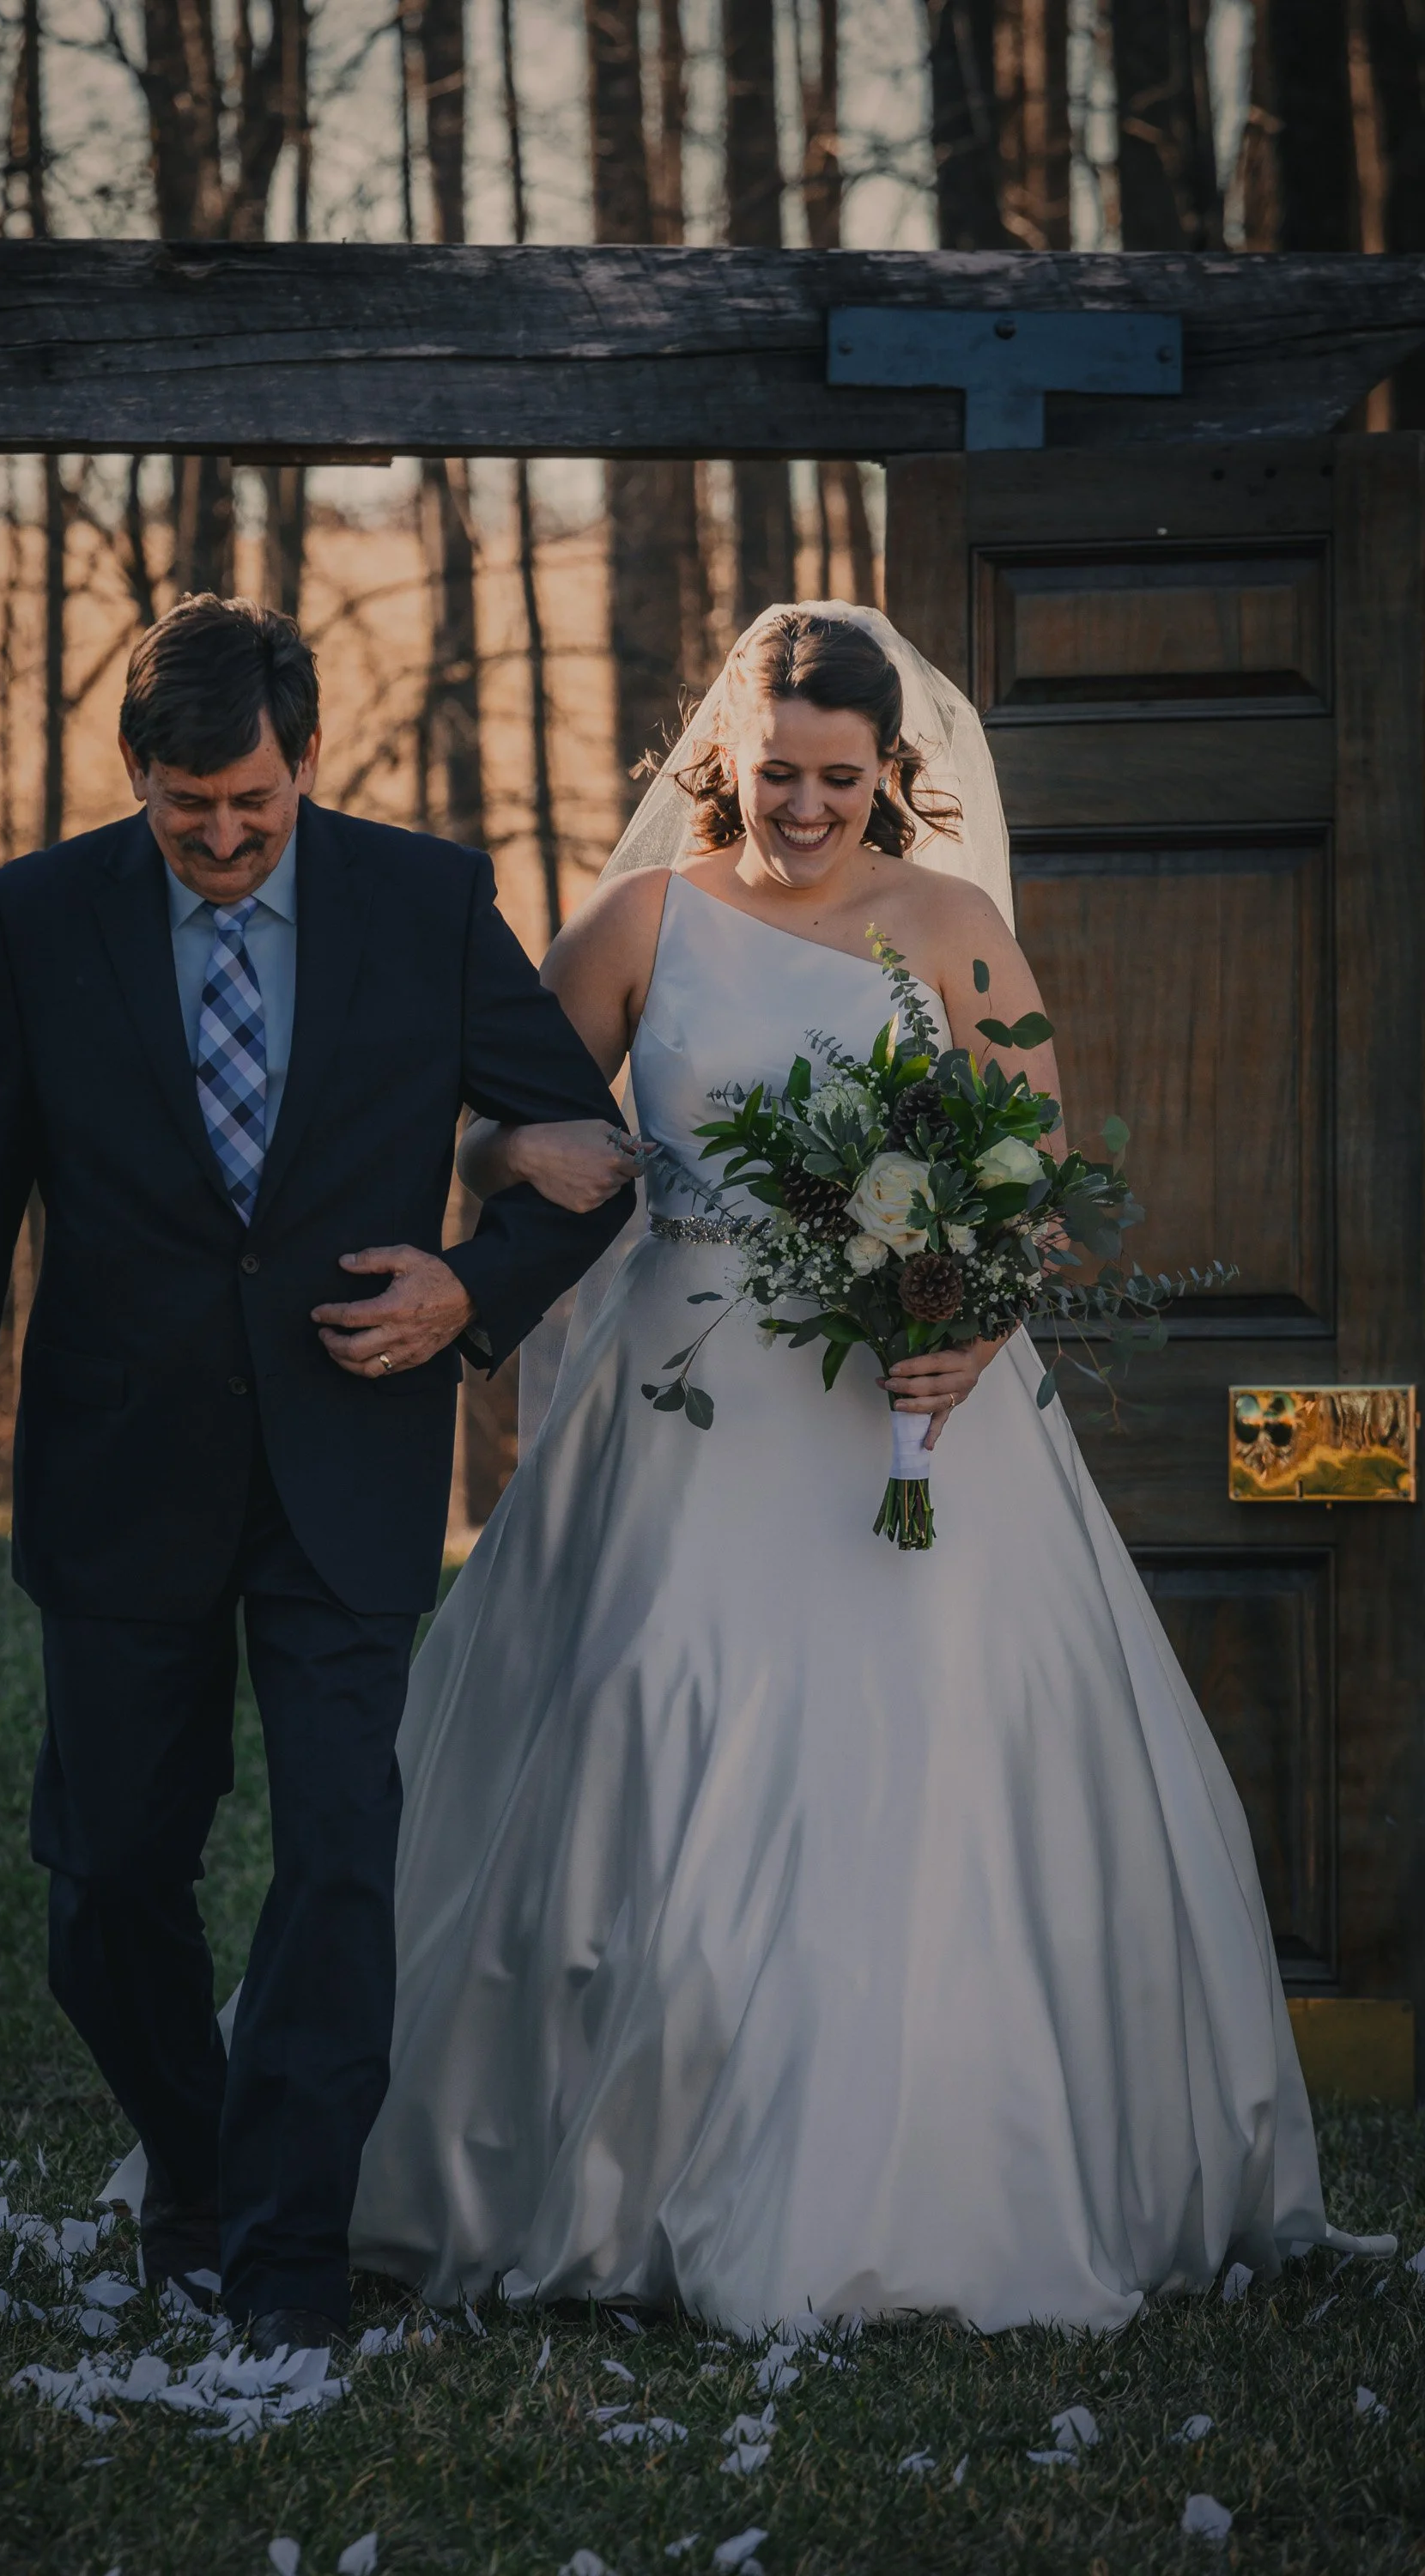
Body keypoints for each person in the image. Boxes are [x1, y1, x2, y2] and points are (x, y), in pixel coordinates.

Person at [336, 602, 1392, 2335]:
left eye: (839, 778)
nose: (805, 809)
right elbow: (489, 1114)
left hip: (910, 1402)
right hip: (682, 1411)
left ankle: (923, 2178)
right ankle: (588, 2171)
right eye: (773, 777)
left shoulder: (953, 931)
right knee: (642, 1715)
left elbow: (1034, 1169)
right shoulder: (641, 921)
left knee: (935, 1749)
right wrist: (514, 1136)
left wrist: (973, 1316)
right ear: (717, 763)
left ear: (891, 775)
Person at [0, 594, 635, 2360]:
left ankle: (286, 2262)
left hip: (349, 1461)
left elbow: (580, 1156)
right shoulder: (37, 915)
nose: (219, 839)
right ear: (136, 773)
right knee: (111, 1883)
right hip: (116, 1469)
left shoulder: (426, 901)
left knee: (340, 1857)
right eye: (183, 805)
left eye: (252, 805)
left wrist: (470, 1293)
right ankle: (199, 2168)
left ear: (308, 762)